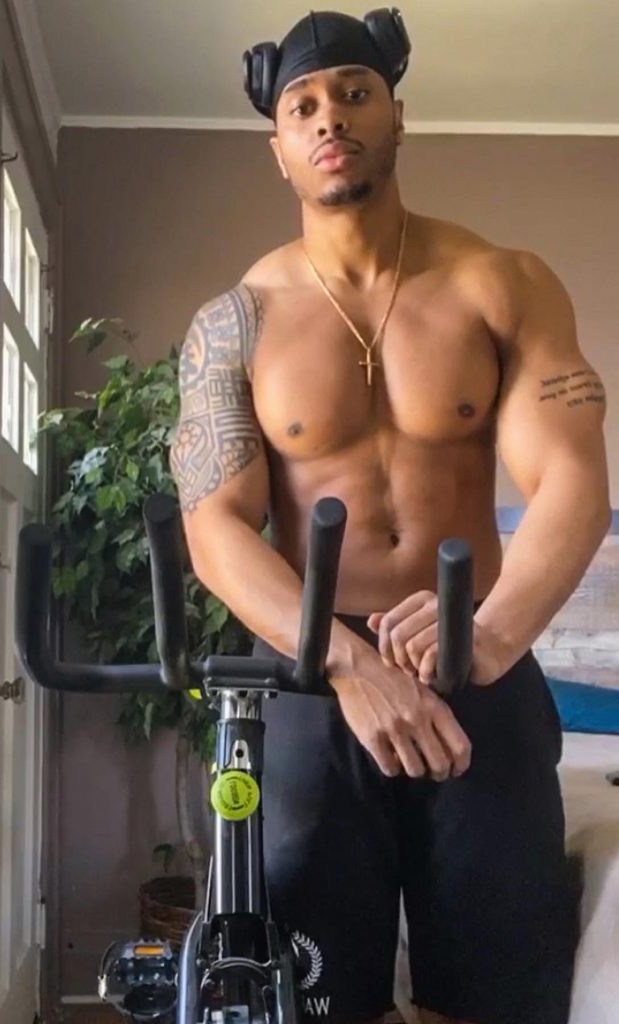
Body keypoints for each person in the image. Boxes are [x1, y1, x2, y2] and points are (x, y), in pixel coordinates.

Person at [169, 9, 610, 1024]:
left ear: (397, 116)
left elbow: (571, 479)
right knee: (317, 998)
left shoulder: (502, 283)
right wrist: (345, 662)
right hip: (309, 679)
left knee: (496, 995)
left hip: (476, 658)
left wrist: (492, 633)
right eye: (302, 106)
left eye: (354, 94)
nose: (330, 117)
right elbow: (214, 525)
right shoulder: (236, 322)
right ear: (279, 149)